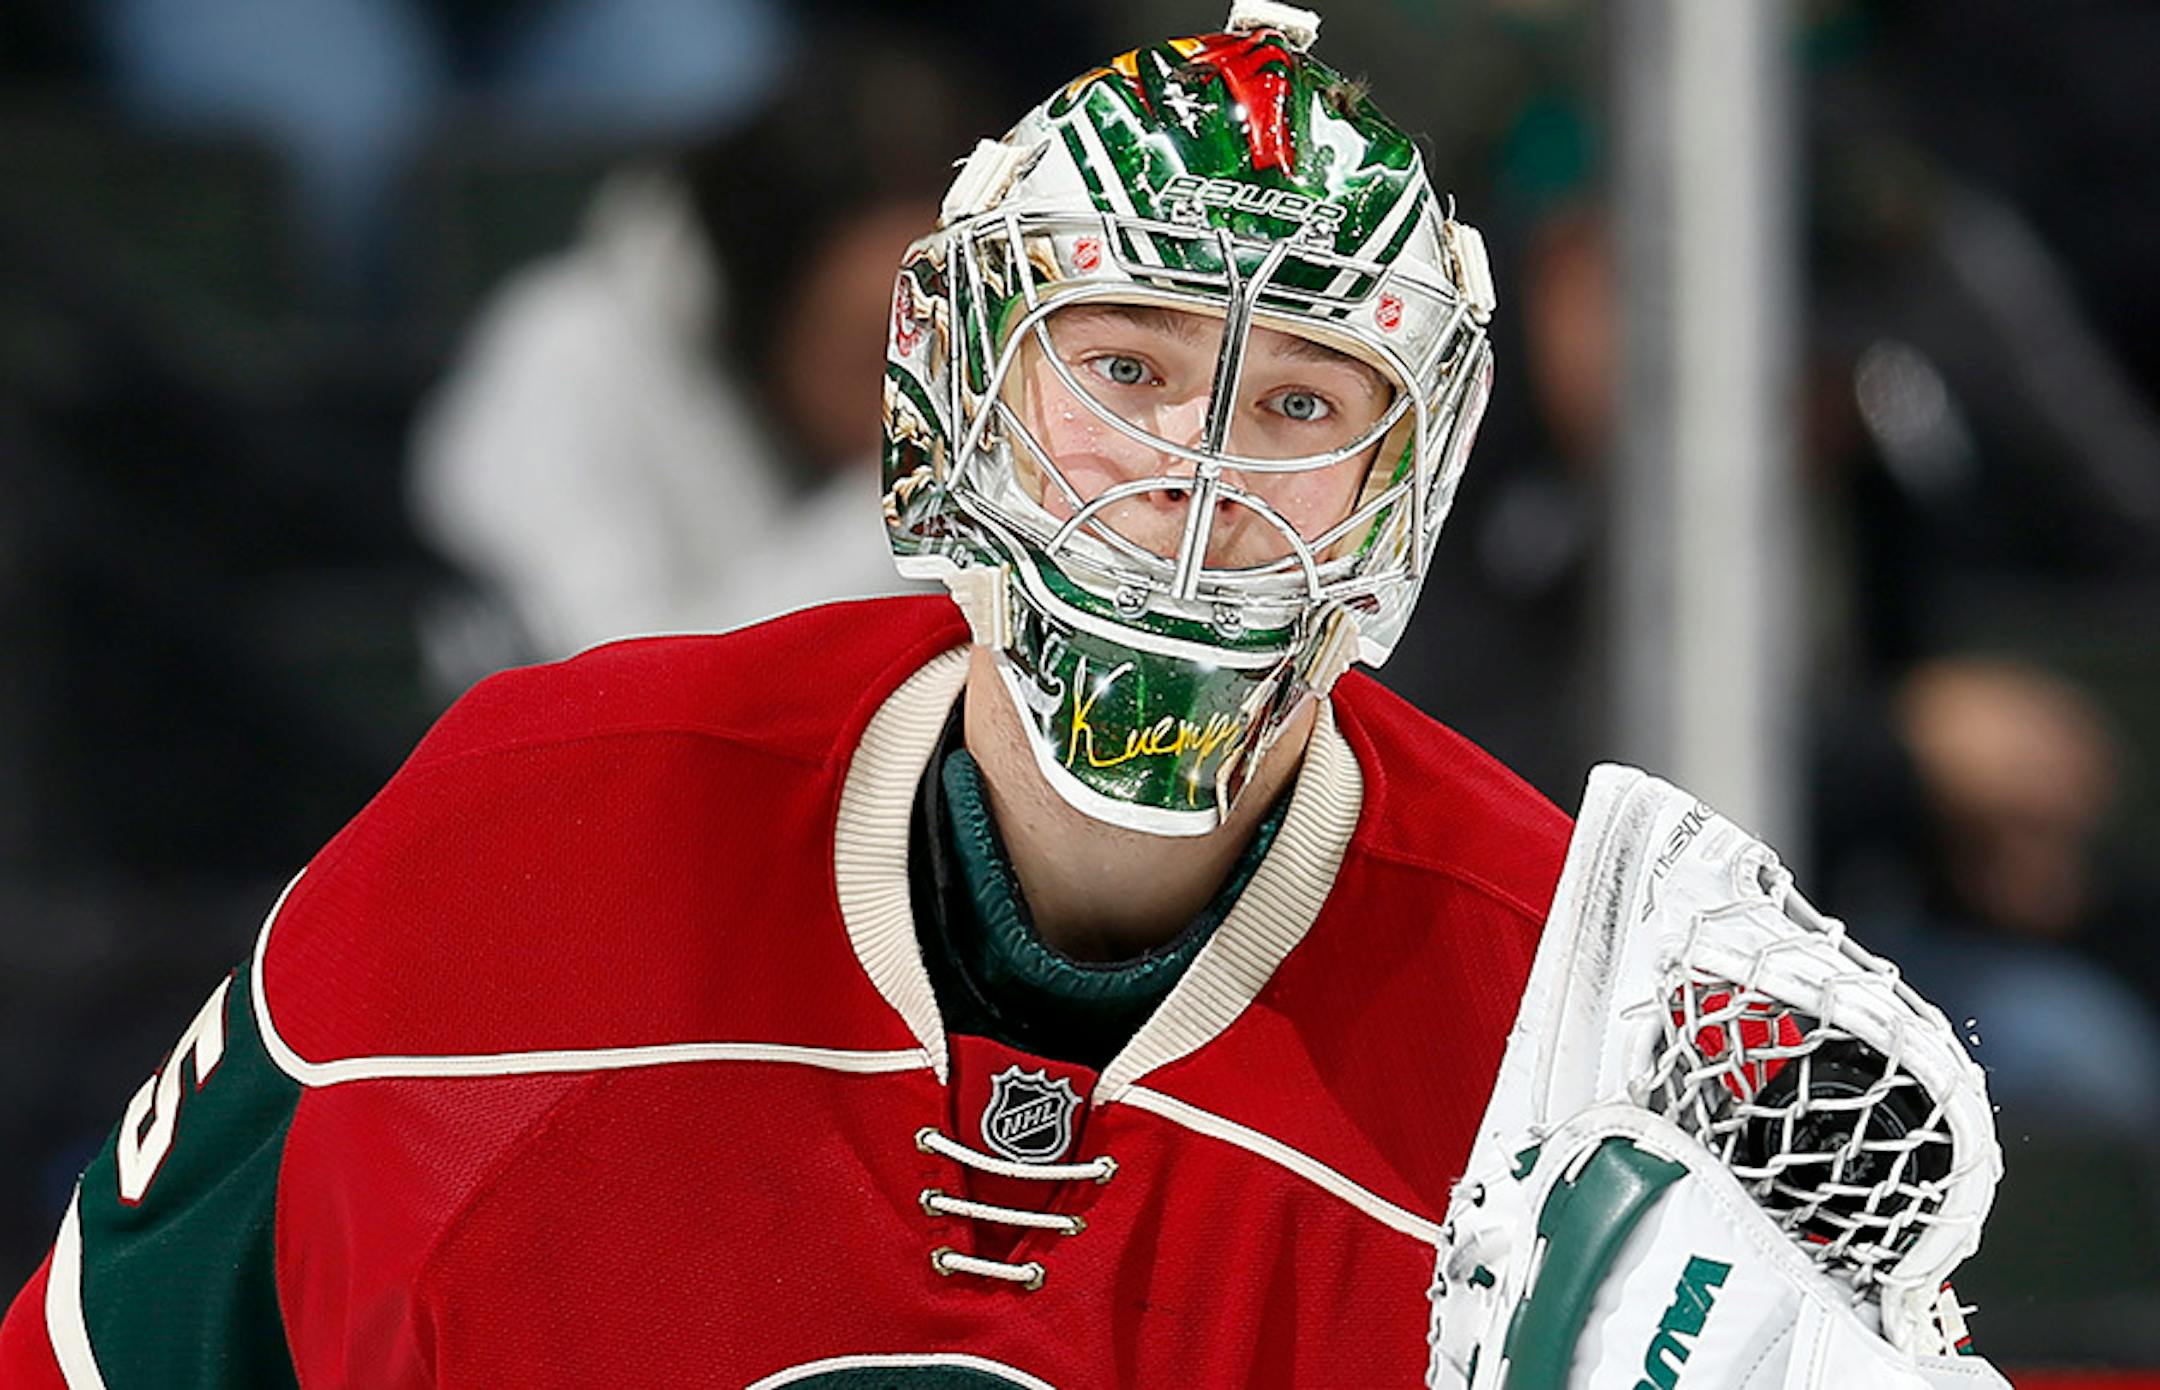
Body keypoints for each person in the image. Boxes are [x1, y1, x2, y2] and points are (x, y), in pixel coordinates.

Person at [0, 5, 1991, 1385]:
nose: (1196, 481)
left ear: (1413, 486)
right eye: (1122, 365)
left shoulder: (1566, 1060)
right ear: (953, 392)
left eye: (1297, 403)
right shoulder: (525, 827)